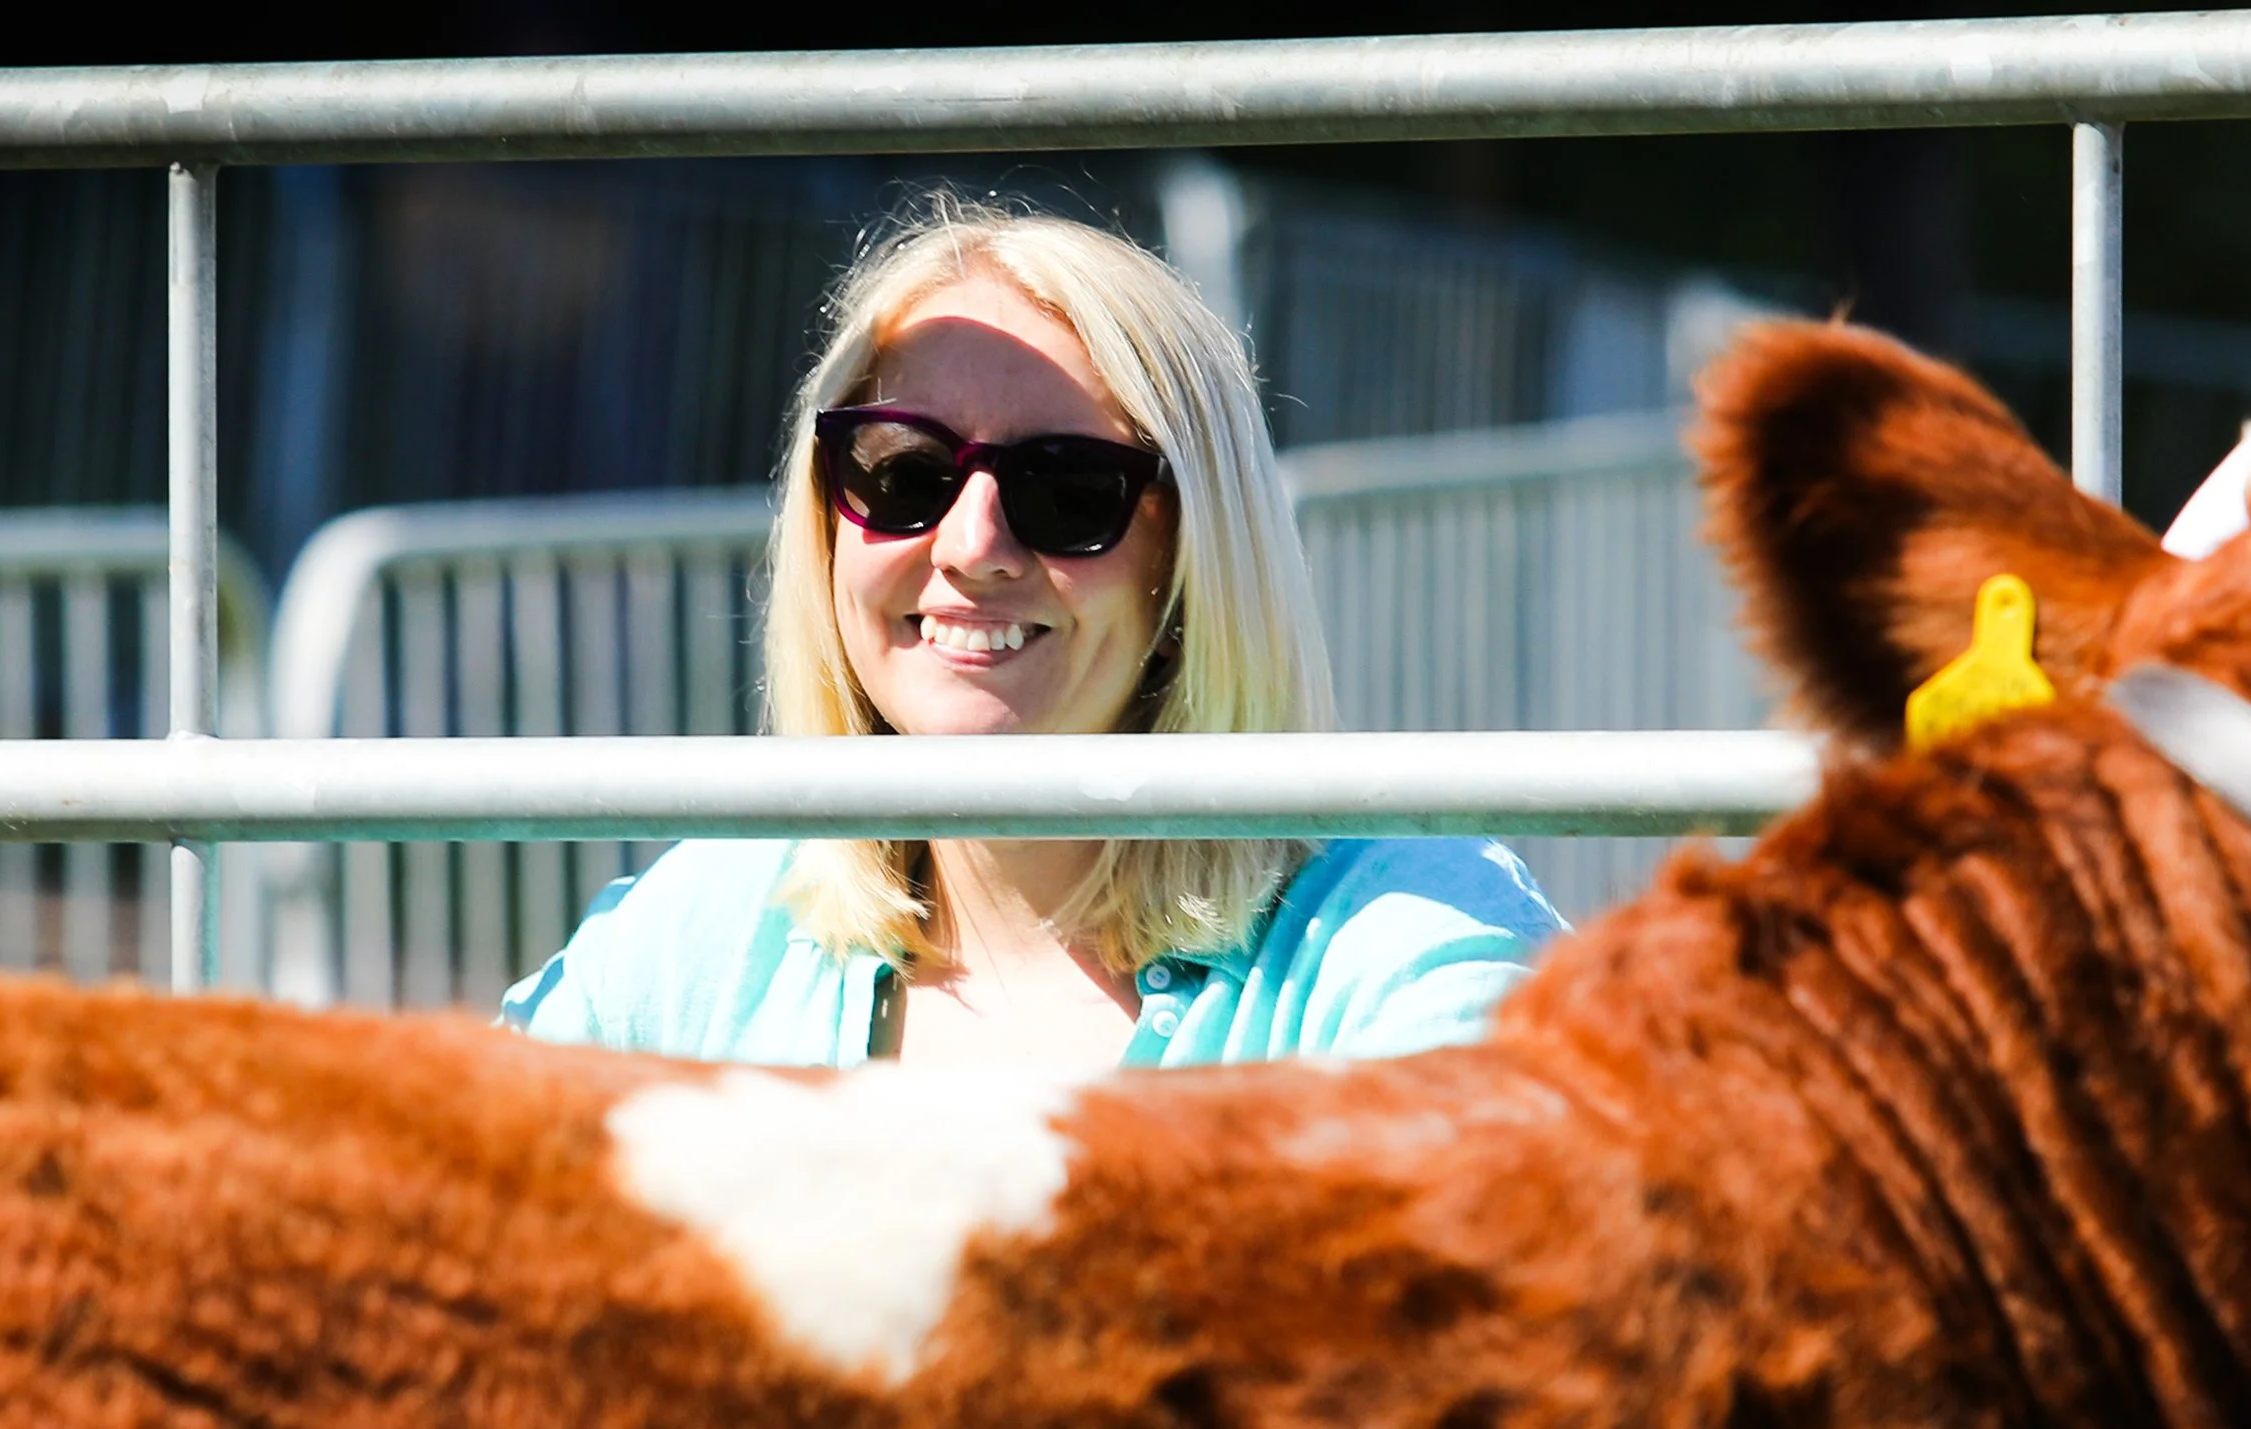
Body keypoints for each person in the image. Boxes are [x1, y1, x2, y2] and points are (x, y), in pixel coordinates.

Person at [501, 198, 1563, 1070]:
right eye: (903, 474)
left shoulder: (1399, 938)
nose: (971, 546)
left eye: (1066, 488)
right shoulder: (713, 930)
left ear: (1199, 553)